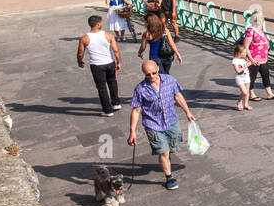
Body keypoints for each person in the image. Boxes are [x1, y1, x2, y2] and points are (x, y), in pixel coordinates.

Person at [127, 60, 197, 191]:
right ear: (144, 74)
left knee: (173, 147)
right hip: (153, 124)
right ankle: (169, 177)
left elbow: (178, 96)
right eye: (148, 74)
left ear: (158, 69)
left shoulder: (169, 80)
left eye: (154, 73)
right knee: (164, 152)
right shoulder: (140, 89)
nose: (152, 77)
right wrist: (132, 131)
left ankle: (165, 157)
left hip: (171, 120)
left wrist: (187, 112)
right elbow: (136, 110)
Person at [76, 15, 123, 116]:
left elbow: (80, 53)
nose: (102, 24)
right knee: (112, 82)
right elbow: (115, 50)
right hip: (110, 63)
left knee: (102, 88)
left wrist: (79, 61)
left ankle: (107, 110)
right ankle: (116, 103)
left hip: (96, 65)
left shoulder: (84, 38)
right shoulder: (108, 35)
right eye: (101, 22)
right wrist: (118, 62)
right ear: (98, 24)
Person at [242, 5, 274, 100]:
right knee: (252, 77)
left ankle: (269, 93)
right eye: (260, 18)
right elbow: (246, 47)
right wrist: (251, 59)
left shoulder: (260, 30)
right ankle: (251, 94)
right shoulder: (250, 31)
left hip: (263, 58)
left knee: (265, 75)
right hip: (254, 58)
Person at [232, 38, 253, 111]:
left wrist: (248, 61)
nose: (245, 54)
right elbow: (238, 71)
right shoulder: (235, 61)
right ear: (238, 53)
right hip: (239, 78)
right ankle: (239, 101)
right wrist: (246, 66)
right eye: (244, 53)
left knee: (247, 92)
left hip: (246, 76)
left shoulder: (244, 58)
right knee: (244, 92)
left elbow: (249, 61)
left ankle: (246, 104)